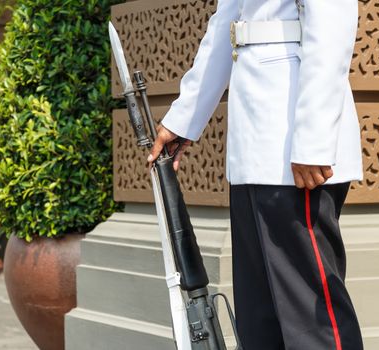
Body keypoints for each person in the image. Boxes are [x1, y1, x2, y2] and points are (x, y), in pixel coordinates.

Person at [147, 0, 364, 349]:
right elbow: (227, 22)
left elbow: (331, 27)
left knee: (311, 321)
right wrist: (185, 118)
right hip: (255, 141)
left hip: (295, 144)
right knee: (260, 321)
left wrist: (313, 140)